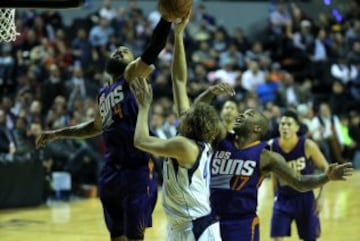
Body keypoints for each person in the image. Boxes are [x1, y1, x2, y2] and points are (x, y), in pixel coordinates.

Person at [36, 16, 172, 241]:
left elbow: (155, 46)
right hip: (110, 169)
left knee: (134, 236)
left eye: (125, 51)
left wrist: (166, 18)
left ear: (134, 63)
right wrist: (57, 133)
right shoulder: (103, 93)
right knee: (116, 235)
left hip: (135, 168)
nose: (119, 51)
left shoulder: (130, 77)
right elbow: (95, 126)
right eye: (116, 50)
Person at [195, 89, 353, 241]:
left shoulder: (266, 156)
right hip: (211, 218)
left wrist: (327, 177)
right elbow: (198, 112)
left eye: (248, 114)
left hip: (241, 222)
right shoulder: (222, 139)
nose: (241, 115)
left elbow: (299, 182)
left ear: (256, 128)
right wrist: (211, 93)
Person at [131, 15, 228, 241]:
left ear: (191, 123)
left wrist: (144, 107)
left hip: (196, 226)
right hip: (181, 225)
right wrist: (179, 35)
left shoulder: (184, 146)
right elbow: (179, 81)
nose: (182, 112)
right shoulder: (191, 139)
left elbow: (141, 141)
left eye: (187, 114)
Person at [269, 110, 329, 241]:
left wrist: (321, 197)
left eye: (289, 124)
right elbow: (274, 172)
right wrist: (274, 195)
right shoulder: (272, 146)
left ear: (296, 127)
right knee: (277, 237)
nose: (285, 126)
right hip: (283, 198)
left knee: (311, 237)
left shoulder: (307, 145)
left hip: (305, 198)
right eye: (282, 123)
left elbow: (326, 168)